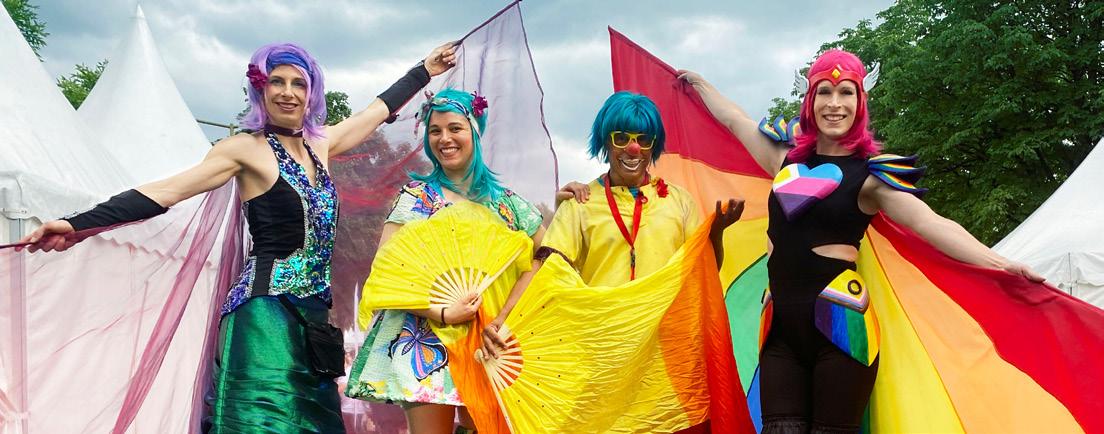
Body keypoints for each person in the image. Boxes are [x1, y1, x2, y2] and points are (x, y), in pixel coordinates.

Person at [19, 41, 457, 432]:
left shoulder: (320, 145)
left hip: (314, 322)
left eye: (298, 84)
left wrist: (424, 70)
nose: (287, 92)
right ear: (260, 90)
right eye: (276, 82)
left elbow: (374, 112)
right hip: (263, 313)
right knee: (262, 423)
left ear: (311, 93)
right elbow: (166, 192)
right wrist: (79, 224)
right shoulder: (244, 149)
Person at [677, 49, 1043, 433]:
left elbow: (932, 224)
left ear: (861, 101)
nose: (834, 104)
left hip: (843, 321)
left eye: (846, 92)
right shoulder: (784, 160)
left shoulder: (871, 179)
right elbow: (735, 120)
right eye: (824, 92)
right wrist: (700, 84)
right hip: (779, 326)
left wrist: (1002, 264)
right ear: (809, 100)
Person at [480, 90, 742, 368]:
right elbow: (544, 267)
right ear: (606, 141)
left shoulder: (679, 202)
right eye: (622, 138)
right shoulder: (580, 203)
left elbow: (704, 272)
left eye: (643, 139)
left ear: (653, 146)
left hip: (665, 350)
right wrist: (502, 319)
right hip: (602, 350)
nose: (633, 149)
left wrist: (716, 233)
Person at [345, 88, 546, 434]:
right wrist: (440, 312)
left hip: (488, 343)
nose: (444, 139)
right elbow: (385, 273)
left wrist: (505, 315)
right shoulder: (416, 198)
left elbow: (551, 253)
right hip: (424, 340)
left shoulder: (507, 204)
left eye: (455, 128)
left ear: (475, 133)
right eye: (435, 131)